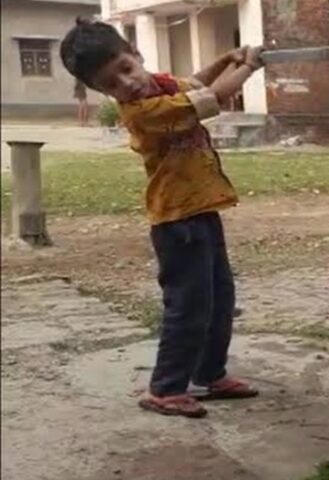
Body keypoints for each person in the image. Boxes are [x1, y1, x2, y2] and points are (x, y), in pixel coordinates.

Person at [60, 18, 263, 418]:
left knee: (221, 300)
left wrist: (226, 57)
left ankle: (210, 373)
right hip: (176, 222)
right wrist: (248, 66)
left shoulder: (163, 86)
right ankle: (165, 389)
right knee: (188, 307)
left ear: (136, 56)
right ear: (102, 92)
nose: (127, 84)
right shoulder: (143, 111)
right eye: (111, 84)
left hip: (202, 210)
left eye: (126, 69)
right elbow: (212, 98)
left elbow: (196, 82)